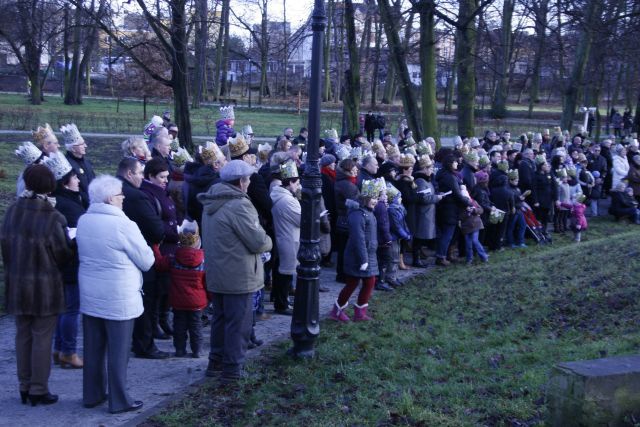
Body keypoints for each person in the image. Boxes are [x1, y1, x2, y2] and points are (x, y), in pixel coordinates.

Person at [77, 175, 154, 413]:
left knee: (93, 348)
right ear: (111, 199)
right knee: (119, 351)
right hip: (118, 295)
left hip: (90, 292)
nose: (123, 199)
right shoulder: (124, 225)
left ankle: (92, 394)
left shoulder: (84, 220)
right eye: (121, 195)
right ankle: (120, 400)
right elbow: (147, 260)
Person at [1, 164, 74, 406]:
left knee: (23, 335)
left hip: (17, 283)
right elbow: (62, 254)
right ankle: (38, 388)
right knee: (42, 336)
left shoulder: (12, 211)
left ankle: (24, 384)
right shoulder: (52, 217)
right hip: (44, 286)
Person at [199, 160, 272, 383]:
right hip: (239, 275)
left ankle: (216, 363)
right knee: (239, 323)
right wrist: (268, 239)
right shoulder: (239, 204)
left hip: (218, 272)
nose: (249, 184)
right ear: (240, 182)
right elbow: (259, 242)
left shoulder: (212, 200)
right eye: (248, 179)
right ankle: (232, 370)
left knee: (220, 320)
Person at [116, 157, 168, 359]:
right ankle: (145, 344)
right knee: (146, 301)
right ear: (129, 173)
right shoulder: (136, 196)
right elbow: (155, 229)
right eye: (139, 173)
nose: (141, 177)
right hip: (140, 254)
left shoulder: (114, 189)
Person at [46, 153, 87, 370]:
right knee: (71, 309)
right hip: (71, 263)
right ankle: (69, 352)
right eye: (74, 178)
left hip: (64, 264)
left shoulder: (64, 202)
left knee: (65, 308)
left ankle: (59, 349)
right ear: (65, 183)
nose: (78, 180)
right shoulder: (68, 207)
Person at [152, 220, 207, 358]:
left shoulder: (173, 258)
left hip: (177, 301)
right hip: (197, 302)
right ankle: (197, 351)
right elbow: (207, 283)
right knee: (196, 326)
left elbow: (158, 264)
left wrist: (155, 248)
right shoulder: (203, 260)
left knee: (179, 326)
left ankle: (180, 350)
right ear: (198, 242)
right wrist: (209, 298)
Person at [329, 179, 381, 322]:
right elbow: (358, 238)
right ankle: (337, 311)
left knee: (370, 281)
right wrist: (363, 259)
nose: (375, 201)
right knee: (352, 282)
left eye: (376, 198)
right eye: (372, 198)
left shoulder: (368, 212)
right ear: (364, 198)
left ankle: (360, 312)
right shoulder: (358, 214)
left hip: (367, 254)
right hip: (358, 256)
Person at [140, 157, 181, 340]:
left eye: (167, 177)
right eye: (162, 177)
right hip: (162, 246)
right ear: (151, 176)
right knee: (158, 290)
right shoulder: (148, 194)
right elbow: (155, 222)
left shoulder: (162, 192)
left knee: (166, 289)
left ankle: (164, 321)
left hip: (171, 245)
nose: (166, 180)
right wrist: (175, 233)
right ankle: (155, 323)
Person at [270, 160, 301, 316]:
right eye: (297, 183)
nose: (298, 187)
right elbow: (301, 219)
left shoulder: (280, 195)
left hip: (284, 237)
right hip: (288, 238)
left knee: (282, 272)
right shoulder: (287, 200)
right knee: (285, 274)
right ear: (290, 183)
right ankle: (281, 304)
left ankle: (281, 300)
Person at [435, 154, 470, 266]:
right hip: (449, 208)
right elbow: (457, 194)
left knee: (452, 233)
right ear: (450, 164)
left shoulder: (445, 174)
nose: (457, 163)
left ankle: (448, 254)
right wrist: (468, 202)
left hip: (448, 207)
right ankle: (441, 257)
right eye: (455, 162)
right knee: (447, 234)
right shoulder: (449, 177)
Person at [334, 158, 360, 283]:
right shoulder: (348, 185)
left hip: (342, 218)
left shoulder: (344, 182)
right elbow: (354, 203)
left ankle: (342, 273)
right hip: (346, 219)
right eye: (355, 169)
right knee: (346, 248)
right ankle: (344, 274)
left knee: (343, 248)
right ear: (349, 170)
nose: (357, 171)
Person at [61, 123, 95, 204]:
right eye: (82, 144)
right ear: (73, 148)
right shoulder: (67, 165)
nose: (85, 146)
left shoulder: (86, 162)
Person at [459, 185, 488, 264]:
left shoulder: (474, 202)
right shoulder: (460, 207)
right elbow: (460, 216)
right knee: (468, 243)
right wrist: (467, 212)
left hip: (475, 224)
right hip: (466, 227)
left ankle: (483, 256)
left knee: (475, 241)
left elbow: (481, 210)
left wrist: (474, 210)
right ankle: (469, 259)